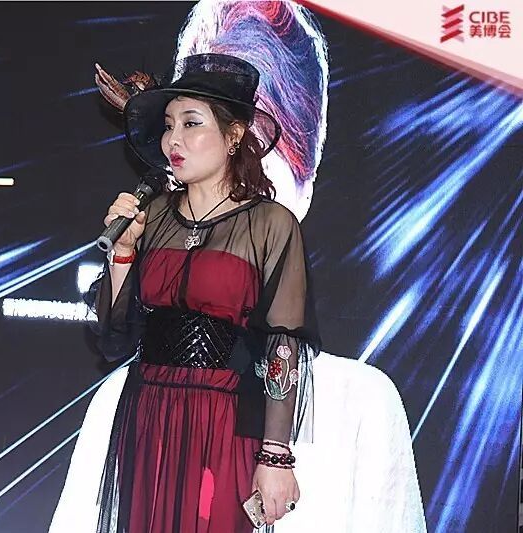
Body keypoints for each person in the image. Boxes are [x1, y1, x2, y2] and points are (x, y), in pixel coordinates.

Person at [86, 53, 321, 532]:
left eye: (191, 124)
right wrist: (124, 254)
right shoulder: (152, 216)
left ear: (234, 136)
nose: (173, 139)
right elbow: (114, 339)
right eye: (168, 126)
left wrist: (276, 455)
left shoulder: (270, 223)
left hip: (224, 417)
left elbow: (283, 344)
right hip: (150, 412)